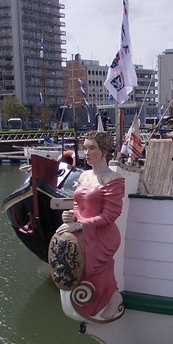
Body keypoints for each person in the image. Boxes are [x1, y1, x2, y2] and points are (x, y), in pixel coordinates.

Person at [56, 131, 125, 322]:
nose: (86, 152)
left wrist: (80, 225)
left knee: (91, 266)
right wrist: (70, 216)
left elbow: (110, 215)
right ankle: (87, 299)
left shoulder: (114, 178)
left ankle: (112, 296)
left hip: (102, 235)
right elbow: (78, 204)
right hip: (81, 229)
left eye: (92, 148)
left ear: (104, 151)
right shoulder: (84, 175)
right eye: (85, 148)